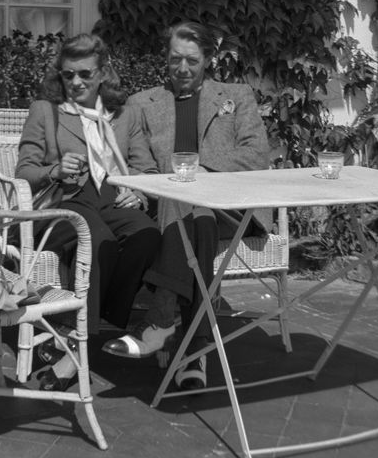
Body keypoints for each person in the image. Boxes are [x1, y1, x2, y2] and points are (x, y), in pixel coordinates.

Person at [102, 21, 271, 391]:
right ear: (166, 56)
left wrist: (203, 171)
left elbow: (257, 154)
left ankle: (161, 317)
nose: (182, 68)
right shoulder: (143, 103)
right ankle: (195, 346)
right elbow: (137, 164)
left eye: (192, 61)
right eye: (175, 59)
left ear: (208, 59)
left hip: (232, 209)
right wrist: (146, 189)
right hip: (174, 208)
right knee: (191, 209)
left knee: (194, 202)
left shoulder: (236, 96)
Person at [15, 33, 162, 391]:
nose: (76, 82)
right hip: (63, 203)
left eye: (84, 74)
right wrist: (55, 169)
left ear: (102, 74)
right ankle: (77, 351)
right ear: (59, 76)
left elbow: (147, 170)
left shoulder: (124, 115)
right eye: (68, 75)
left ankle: (95, 322)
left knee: (147, 235)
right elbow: (23, 173)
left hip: (112, 198)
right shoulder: (46, 111)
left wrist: (139, 193)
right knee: (95, 238)